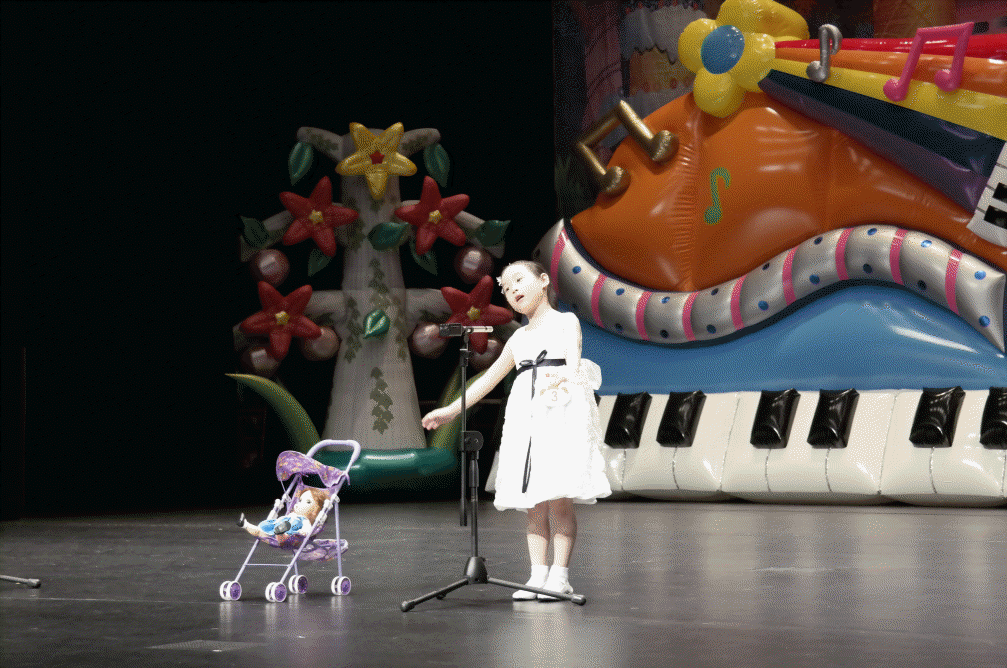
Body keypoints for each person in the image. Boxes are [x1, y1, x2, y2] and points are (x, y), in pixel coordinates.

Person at [422, 260, 611, 600]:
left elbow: (573, 360)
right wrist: (450, 411)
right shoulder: (518, 338)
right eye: (507, 289)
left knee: (559, 500)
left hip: (558, 415)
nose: (513, 291)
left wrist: (566, 381)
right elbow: (488, 380)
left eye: (519, 281)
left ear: (543, 281)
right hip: (526, 422)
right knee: (533, 505)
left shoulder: (565, 321)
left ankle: (560, 577)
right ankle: (537, 576)